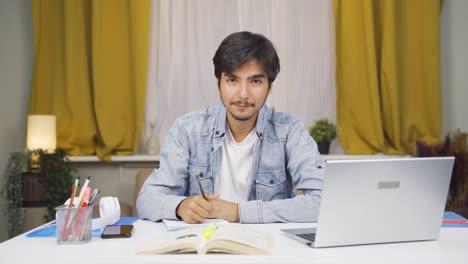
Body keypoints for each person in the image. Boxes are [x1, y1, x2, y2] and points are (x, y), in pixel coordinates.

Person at [137, 31, 325, 224]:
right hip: (204, 246)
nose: (243, 94)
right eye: (233, 80)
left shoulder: (290, 132)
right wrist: (180, 207)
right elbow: (146, 200)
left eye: (256, 81)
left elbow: (323, 202)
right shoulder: (188, 129)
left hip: (266, 248)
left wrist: (239, 212)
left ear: (269, 87)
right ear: (218, 82)